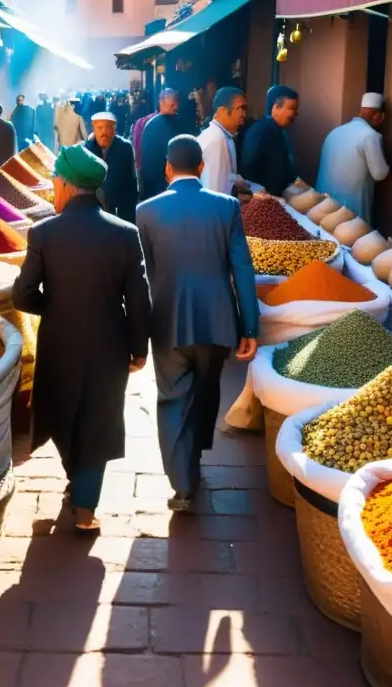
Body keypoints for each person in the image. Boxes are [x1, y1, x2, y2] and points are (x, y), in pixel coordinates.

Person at [12, 145, 151, 531]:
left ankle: (78, 486)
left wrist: (55, 308)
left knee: (62, 412)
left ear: (68, 186)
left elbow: (21, 295)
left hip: (59, 343)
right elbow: (139, 299)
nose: (53, 187)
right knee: (99, 418)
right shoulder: (125, 234)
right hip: (110, 344)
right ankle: (86, 501)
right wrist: (139, 349)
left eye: (55, 181)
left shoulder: (43, 233)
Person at [136, 135, 259, 511]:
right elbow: (242, 267)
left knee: (173, 398)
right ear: (202, 168)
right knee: (206, 391)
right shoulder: (225, 207)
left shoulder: (146, 211)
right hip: (218, 321)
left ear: (167, 168)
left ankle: (183, 484)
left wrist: (138, 332)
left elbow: (145, 276)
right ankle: (198, 452)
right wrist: (249, 327)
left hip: (169, 321)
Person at [314, 92, 390, 221]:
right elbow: (380, 173)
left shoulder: (335, 131)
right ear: (377, 114)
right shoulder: (370, 136)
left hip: (322, 206)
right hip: (348, 213)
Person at [240, 85, 300, 197]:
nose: (295, 113)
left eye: (296, 109)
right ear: (276, 107)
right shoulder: (259, 132)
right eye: (291, 108)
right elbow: (247, 169)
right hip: (264, 201)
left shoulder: (282, 133)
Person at [197, 87, 255, 197]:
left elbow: (225, 176)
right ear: (222, 110)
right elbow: (215, 193)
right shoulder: (217, 140)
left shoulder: (223, 136)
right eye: (240, 109)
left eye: (245, 110)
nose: (244, 115)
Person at [86, 111, 137, 222]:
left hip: (121, 210)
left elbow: (125, 182)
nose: (104, 132)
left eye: (108, 127)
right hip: (94, 212)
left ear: (115, 129)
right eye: (100, 128)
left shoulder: (125, 148)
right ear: (93, 129)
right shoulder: (87, 149)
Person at [138, 89, 186, 202]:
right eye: (173, 104)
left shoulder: (172, 122)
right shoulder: (155, 125)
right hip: (158, 184)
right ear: (162, 102)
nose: (176, 108)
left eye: (177, 104)